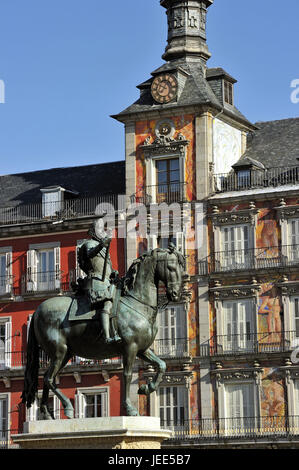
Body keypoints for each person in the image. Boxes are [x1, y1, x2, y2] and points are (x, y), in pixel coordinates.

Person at [77, 216, 121, 344]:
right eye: (100, 229)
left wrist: (113, 272)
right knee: (107, 302)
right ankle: (107, 337)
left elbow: (108, 268)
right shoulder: (89, 244)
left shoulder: (105, 250)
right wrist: (102, 245)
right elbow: (90, 254)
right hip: (95, 280)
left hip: (106, 281)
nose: (103, 231)